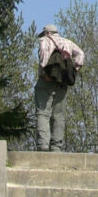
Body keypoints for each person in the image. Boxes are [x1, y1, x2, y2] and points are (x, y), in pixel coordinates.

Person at [34, 23, 85, 152]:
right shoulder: (67, 42)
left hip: (46, 81)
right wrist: (73, 72)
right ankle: (57, 146)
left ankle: (43, 145)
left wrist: (46, 74)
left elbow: (43, 59)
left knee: (43, 113)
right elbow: (81, 55)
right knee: (59, 114)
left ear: (47, 33)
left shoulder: (44, 41)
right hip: (62, 82)